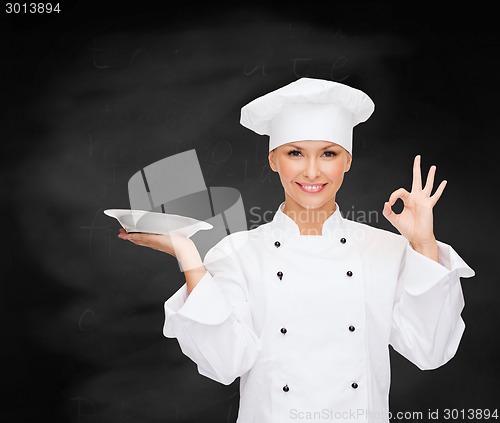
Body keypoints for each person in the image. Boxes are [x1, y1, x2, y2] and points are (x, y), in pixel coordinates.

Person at [118, 78, 475, 423]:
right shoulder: (239, 252)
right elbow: (225, 363)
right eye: (295, 153)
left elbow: (429, 351)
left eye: (329, 154)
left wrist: (424, 244)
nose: (312, 170)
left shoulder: (386, 250)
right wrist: (188, 255)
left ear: (347, 161)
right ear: (274, 159)